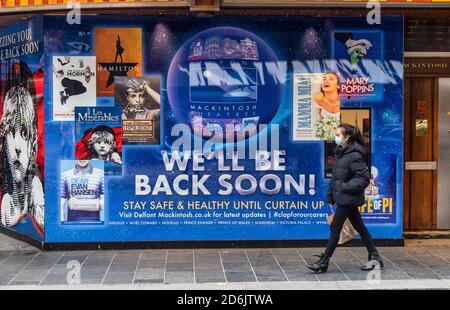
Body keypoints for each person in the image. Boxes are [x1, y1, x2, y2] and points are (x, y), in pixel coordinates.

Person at [306, 123, 383, 273]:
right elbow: (336, 178)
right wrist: (330, 196)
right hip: (344, 198)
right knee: (359, 226)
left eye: (338, 134)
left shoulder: (354, 155)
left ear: (346, 137)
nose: (335, 137)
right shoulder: (342, 153)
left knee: (335, 227)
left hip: (348, 198)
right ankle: (375, 256)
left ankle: (324, 261)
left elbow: (363, 178)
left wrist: (344, 187)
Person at [0, 61, 44, 232]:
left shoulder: (39, 197)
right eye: (12, 132)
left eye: (24, 133)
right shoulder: (6, 203)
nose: (18, 147)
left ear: (33, 142)